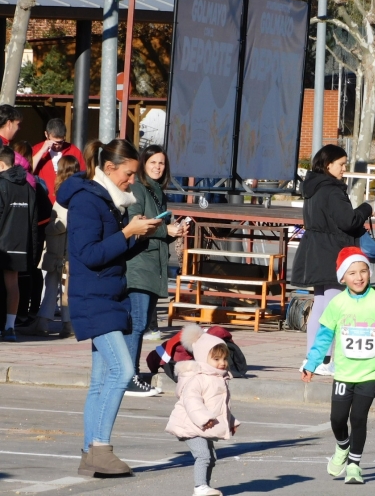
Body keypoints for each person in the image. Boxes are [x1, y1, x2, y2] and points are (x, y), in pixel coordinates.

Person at [56, 139, 162, 476]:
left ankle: (90, 454)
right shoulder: (88, 201)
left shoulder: (104, 199)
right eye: (128, 174)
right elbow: (88, 254)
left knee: (102, 380)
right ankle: (100, 447)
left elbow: (108, 253)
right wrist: (128, 231)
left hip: (105, 296)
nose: (132, 181)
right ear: (110, 168)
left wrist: (137, 236)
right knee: (123, 372)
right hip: (94, 299)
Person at [302, 247, 375, 484]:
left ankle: (354, 466)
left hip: (370, 373)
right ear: (343, 277)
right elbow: (324, 337)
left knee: (359, 417)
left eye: (363, 271)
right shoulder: (337, 304)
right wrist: (312, 363)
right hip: (344, 373)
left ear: (369, 273)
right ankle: (342, 447)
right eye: (352, 273)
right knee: (337, 419)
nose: (358, 277)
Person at [292, 145, 373, 376]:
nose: (344, 169)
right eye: (341, 164)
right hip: (332, 251)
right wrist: (366, 209)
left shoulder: (313, 187)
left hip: (315, 249)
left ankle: (312, 357)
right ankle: (323, 359)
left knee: (320, 304)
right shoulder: (332, 190)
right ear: (329, 165)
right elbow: (348, 221)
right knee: (332, 307)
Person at [125, 144, 186, 397]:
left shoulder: (157, 191)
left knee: (139, 324)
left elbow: (158, 230)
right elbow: (135, 224)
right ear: (143, 164)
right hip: (139, 265)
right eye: (153, 163)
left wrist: (174, 233)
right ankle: (129, 376)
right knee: (137, 324)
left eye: (161, 163)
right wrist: (165, 231)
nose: (157, 167)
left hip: (152, 266)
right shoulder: (139, 189)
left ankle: (129, 373)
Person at [166, 323, 239, 496]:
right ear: (202, 357)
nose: (222, 363)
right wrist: (204, 418)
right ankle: (200, 488)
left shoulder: (218, 378)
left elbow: (220, 406)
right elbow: (192, 402)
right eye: (216, 359)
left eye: (224, 359)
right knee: (203, 455)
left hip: (202, 424)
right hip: (190, 425)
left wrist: (230, 421)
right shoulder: (198, 378)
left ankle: (205, 486)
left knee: (211, 458)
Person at [36, 155, 81, 339]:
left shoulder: (65, 192)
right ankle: (61, 323)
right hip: (70, 250)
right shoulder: (79, 190)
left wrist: (48, 225)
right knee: (64, 288)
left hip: (60, 250)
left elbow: (62, 222)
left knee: (54, 286)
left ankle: (50, 324)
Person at [12, 141, 51, 334]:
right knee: (30, 272)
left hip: (28, 232)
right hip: (33, 230)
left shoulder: (25, 182)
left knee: (23, 274)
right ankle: (28, 311)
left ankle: (23, 313)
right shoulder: (33, 181)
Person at [0, 145, 37, 342]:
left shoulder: (1, 185)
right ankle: (10, 327)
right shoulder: (28, 188)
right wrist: (32, 251)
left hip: (1, 245)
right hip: (20, 245)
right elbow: (33, 220)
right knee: (13, 285)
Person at [32, 118, 86, 204]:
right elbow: (28, 170)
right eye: (54, 142)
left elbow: (83, 176)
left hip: (68, 202)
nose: (57, 146)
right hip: (44, 202)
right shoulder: (37, 150)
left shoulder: (73, 151)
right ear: (46, 134)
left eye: (60, 142)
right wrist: (42, 151)